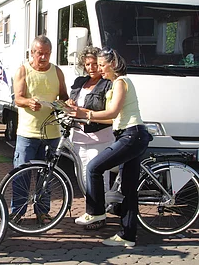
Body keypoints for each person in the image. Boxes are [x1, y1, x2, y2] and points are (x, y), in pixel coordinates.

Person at [73, 47, 152, 246]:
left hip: (131, 135)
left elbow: (113, 112)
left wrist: (86, 114)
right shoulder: (116, 83)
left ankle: (96, 212)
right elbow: (113, 117)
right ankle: (127, 236)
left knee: (94, 168)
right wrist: (81, 112)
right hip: (129, 134)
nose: (99, 69)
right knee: (128, 189)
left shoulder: (120, 82)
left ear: (113, 65)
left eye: (102, 65)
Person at [11, 35, 69, 224]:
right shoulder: (23, 71)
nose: (43, 58)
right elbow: (17, 98)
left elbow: (64, 97)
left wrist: (66, 103)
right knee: (21, 174)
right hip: (28, 133)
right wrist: (28, 102)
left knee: (48, 175)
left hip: (52, 132)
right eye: (39, 54)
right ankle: (17, 212)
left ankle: (42, 212)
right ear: (32, 52)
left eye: (47, 54)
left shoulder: (57, 72)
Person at [67, 46, 114, 195]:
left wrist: (82, 112)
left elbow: (108, 111)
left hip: (99, 138)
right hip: (79, 137)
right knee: (81, 177)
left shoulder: (108, 83)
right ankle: (92, 210)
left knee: (98, 177)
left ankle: (101, 211)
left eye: (94, 63)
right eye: (87, 64)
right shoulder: (80, 82)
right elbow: (72, 100)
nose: (91, 68)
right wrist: (69, 103)